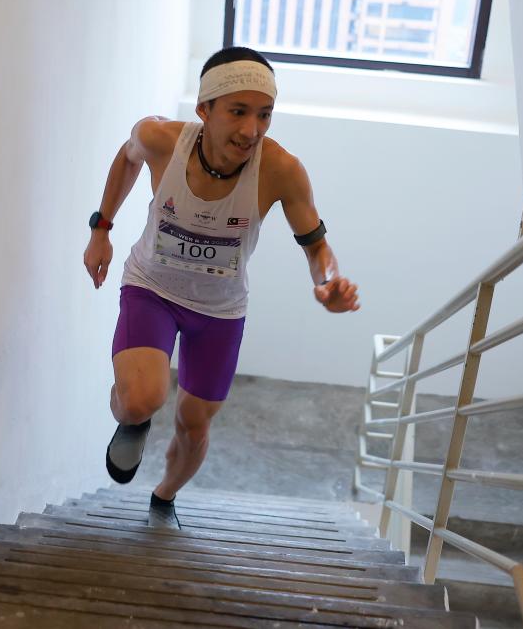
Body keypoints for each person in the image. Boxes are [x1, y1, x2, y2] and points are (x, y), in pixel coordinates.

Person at [83, 46, 359, 529]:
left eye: (264, 115)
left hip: (220, 310)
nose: (251, 130)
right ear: (204, 110)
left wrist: (328, 283)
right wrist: (101, 228)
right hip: (152, 287)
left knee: (194, 424)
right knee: (140, 397)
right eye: (237, 112)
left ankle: (165, 496)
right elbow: (125, 161)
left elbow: (317, 246)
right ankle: (132, 421)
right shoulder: (159, 138)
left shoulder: (281, 169)